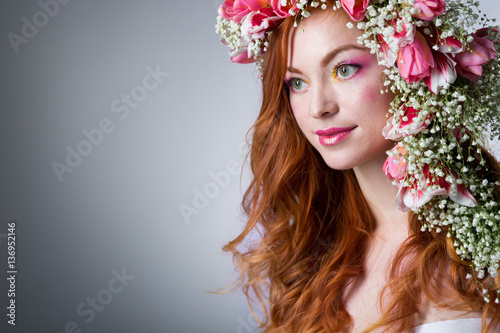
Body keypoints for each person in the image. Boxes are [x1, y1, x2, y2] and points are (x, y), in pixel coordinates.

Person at [215, 0, 500, 332]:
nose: (318, 107)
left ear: (408, 65)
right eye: (297, 83)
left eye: (344, 69)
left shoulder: (487, 240)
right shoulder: (313, 257)